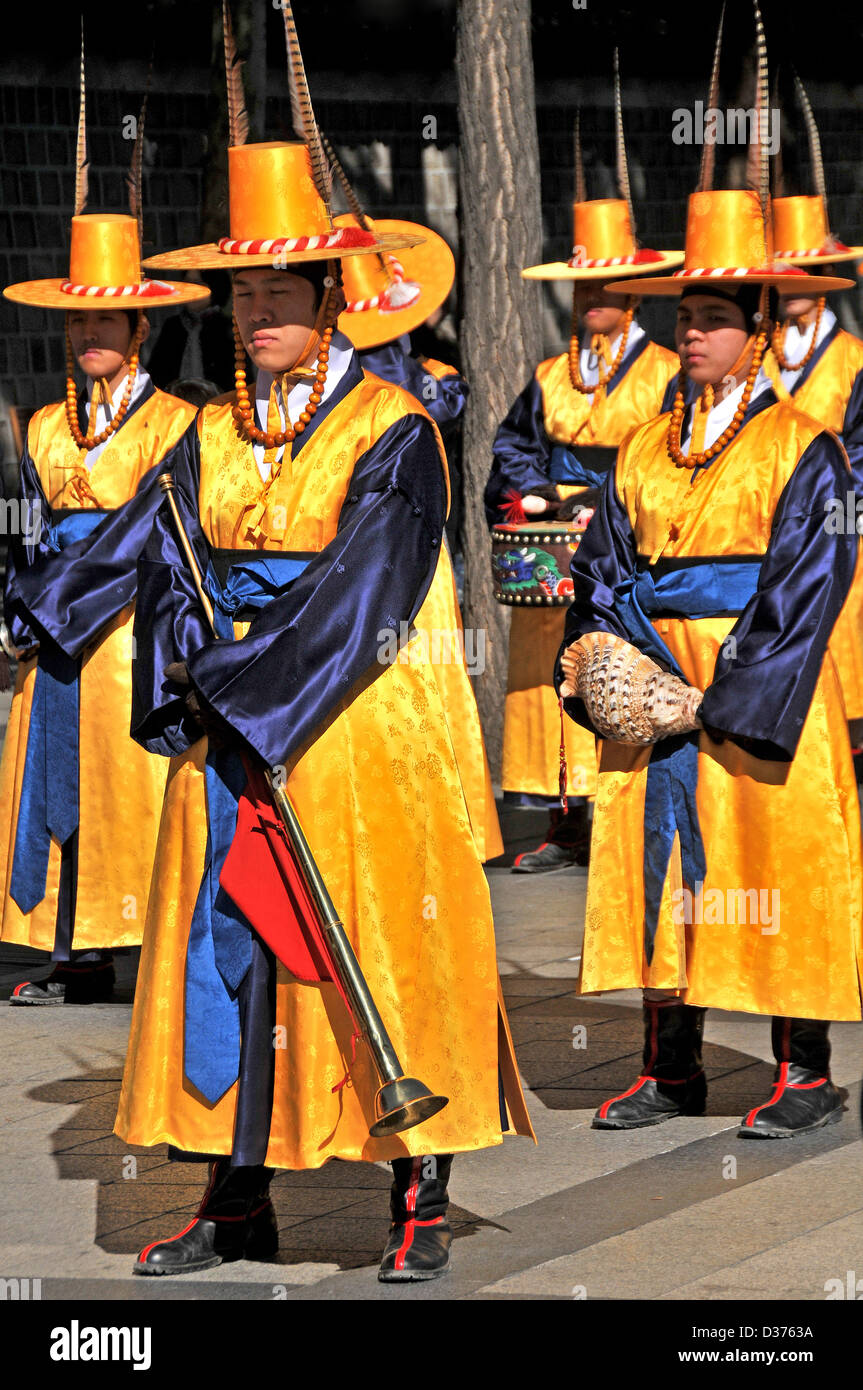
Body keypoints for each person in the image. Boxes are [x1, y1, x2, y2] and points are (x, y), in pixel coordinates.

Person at [114, 8, 533, 1285]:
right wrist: (177, 663)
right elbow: (155, 553)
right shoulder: (207, 430)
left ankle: (418, 1194)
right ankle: (235, 1196)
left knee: (380, 945)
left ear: (328, 303)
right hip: (232, 728)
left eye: (277, 295)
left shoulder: (395, 433)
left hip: (355, 723)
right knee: (226, 948)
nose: (254, 317)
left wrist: (241, 684)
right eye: (241, 295)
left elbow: (368, 593)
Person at [556, 165, 861, 1140]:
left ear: (758, 326)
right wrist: (621, 667)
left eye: (716, 314)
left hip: (756, 688)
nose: (694, 331)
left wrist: (718, 696)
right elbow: (603, 567)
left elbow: (805, 584)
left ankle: (802, 1069)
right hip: (653, 682)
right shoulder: (641, 447)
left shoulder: (800, 445)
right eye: (686, 313)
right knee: (661, 869)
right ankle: (670, 1064)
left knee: (773, 864)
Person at [0, 59, 208, 1004]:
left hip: (126, 630)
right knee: (48, 780)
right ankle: (65, 952)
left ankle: (133, 940)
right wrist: (18, 606)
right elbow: (26, 530)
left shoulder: (176, 423)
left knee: (127, 789)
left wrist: (66, 597)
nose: (91, 337)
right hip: (50, 635)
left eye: (108, 320)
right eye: (79, 322)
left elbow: (153, 530)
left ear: (138, 324)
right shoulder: (42, 425)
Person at [486, 70, 683, 873]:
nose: (589, 299)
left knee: (614, 655)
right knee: (547, 676)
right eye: (581, 288)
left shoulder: (666, 371)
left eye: (603, 287)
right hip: (549, 536)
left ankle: (620, 806)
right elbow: (512, 444)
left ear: (632, 294)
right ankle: (563, 822)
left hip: (618, 537)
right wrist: (530, 491)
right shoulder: (546, 373)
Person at [327, 168, 500, 861]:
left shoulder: (420, 382)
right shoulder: (409, 377)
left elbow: (442, 406)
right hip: (352, 566)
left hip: (412, 561)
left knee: (411, 693)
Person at [762, 138, 863, 747]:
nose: (792, 284)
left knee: (843, 671)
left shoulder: (854, 362)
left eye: (804, 271)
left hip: (838, 532)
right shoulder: (754, 358)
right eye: (782, 272)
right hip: (760, 529)